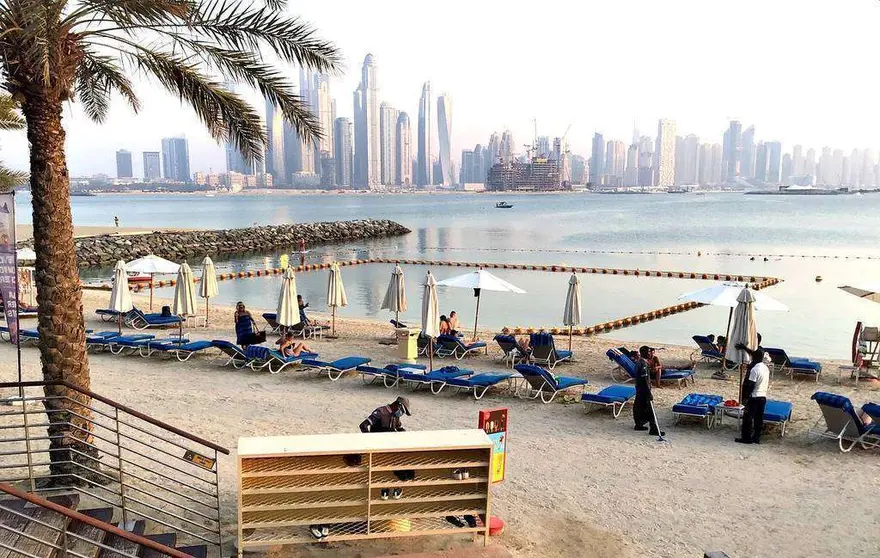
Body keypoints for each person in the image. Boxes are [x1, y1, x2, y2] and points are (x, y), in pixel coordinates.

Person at [360, 396, 413, 500]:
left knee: (406, 468)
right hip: (378, 448)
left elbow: (398, 427)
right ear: (399, 406)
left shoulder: (395, 416)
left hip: (391, 447)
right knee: (388, 468)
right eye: (403, 411)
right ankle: (386, 488)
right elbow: (363, 426)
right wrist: (371, 440)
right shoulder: (380, 412)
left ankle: (393, 486)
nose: (401, 414)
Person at [736, 348, 770, 444]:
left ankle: (746, 438)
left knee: (748, 418)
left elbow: (751, 385)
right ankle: (756, 437)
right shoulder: (765, 368)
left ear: (754, 357)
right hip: (763, 396)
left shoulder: (755, 369)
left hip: (754, 396)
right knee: (759, 418)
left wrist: (746, 397)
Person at [632, 346, 664, 436]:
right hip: (643, 389)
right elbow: (645, 379)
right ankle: (653, 428)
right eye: (649, 352)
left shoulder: (640, 362)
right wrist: (649, 392)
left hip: (639, 388)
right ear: (644, 353)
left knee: (639, 406)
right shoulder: (643, 364)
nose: (651, 354)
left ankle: (638, 424)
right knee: (650, 408)